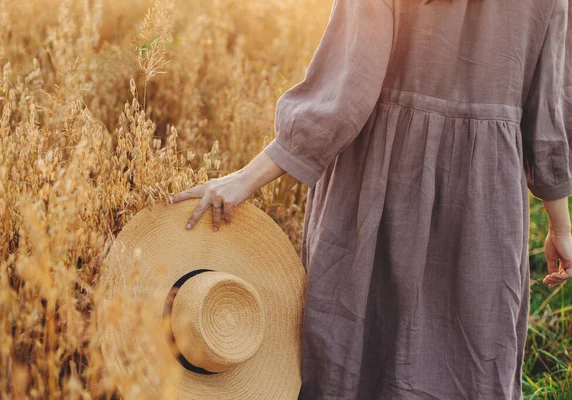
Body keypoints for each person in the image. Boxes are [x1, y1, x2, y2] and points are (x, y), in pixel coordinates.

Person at [172, 0, 572, 398]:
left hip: (378, 186)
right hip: (484, 200)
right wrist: (561, 227)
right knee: (469, 359)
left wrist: (247, 177)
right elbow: (548, 118)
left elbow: (345, 94)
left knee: (353, 354)